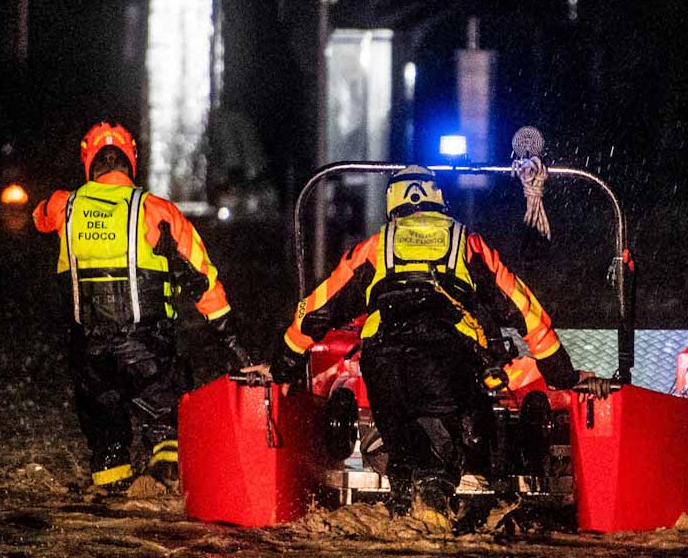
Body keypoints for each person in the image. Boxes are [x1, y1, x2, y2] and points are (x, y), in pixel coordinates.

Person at [271, 166, 580, 532]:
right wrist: (561, 373)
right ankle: (435, 510)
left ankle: (401, 515)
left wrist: (283, 366)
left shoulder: (375, 247)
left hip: (382, 360)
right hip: (446, 358)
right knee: (438, 465)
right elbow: (523, 308)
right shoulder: (466, 243)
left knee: (403, 463)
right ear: (438, 198)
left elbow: (316, 310)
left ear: (392, 203)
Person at [33, 123, 250, 493]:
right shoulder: (157, 211)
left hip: (89, 357)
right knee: (169, 426)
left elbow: (38, 217)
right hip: (146, 352)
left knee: (107, 447)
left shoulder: (61, 206)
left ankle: (111, 496)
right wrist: (230, 340)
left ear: (89, 162)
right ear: (131, 161)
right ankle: (165, 481)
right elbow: (202, 278)